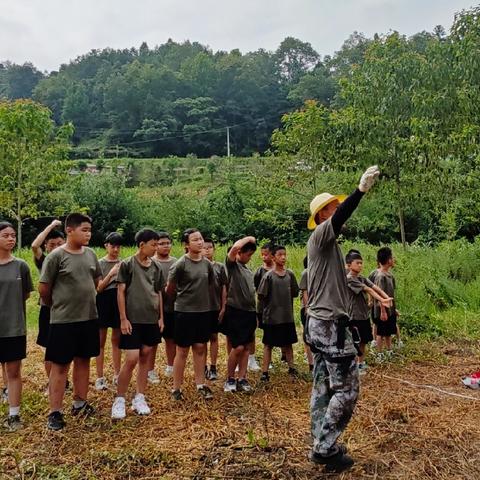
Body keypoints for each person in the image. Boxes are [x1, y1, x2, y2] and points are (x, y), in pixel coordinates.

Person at [305, 166, 380, 473]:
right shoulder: (321, 236)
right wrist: (359, 191)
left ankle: (321, 441)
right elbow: (340, 217)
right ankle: (324, 448)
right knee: (347, 389)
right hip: (329, 326)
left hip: (323, 324)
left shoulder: (328, 247)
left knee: (323, 385)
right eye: (334, 208)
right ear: (323, 215)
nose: (339, 213)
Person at [39, 213, 102, 431]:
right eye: (84, 230)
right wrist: (56, 306)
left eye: (89, 230)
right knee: (60, 365)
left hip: (88, 317)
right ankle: (55, 412)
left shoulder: (91, 254)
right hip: (63, 320)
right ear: (69, 230)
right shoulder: (56, 256)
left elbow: (96, 282)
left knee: (83, 360)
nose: (88, 234)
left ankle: (80, 402)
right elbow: (44, 288)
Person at [111, 229, 164, 419]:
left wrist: (161, 317)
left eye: (158, 244)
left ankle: (140, 397)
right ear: (142, 245)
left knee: (146, 356)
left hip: (150, 318)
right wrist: (123, 318)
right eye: (153, 244)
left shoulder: (156, 267)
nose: (156, 248)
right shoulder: (127, 265)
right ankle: (119, 399)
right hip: (132, 320)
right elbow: (120, 292)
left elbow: (158, 293)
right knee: (131, 358)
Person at [167, 229, 214, 401]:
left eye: (200, 238)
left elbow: (209, 285)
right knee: (182, 350)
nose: (200, 242)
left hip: (202, 311)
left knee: (201, 347)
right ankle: (176, 388)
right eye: (195, 240)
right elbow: (170, 289)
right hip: (184, 312)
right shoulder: (180, 264)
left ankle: (200, 384)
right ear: (186, 245)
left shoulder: (207, 264)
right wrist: (181, 302)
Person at [0, 222, 33, 431]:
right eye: (6, 235)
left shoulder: (21, 265)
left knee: (13, 371)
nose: (11, 239)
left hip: (13, 327)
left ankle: (14, 415)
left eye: (13, 235)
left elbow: (26, 293)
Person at [345, 249, 392, 372]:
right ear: (349, 265)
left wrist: (386, 297)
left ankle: (361, 363)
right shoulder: (350, 279)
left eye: (361, 263)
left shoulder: (361, 277)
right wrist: (382, 300)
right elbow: (368, 290)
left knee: (364, 340)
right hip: (354, 315)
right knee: (355, 342)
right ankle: (354, 366)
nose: (360, 265)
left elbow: (374, 287)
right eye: (357, 263)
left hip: (363, 314)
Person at [31, 219, 65, 386]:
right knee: (48, 348)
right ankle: (52, 382)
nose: (56, 247)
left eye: (60, 243)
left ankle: (62, 380)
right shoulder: (44, 261)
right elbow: (34, 246)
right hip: (48, 308)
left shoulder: (69, 259)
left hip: (66, 309)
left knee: (64, 348)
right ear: (46, 246)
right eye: (52, 244)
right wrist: (51, 226)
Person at [258, 245, 299, 381]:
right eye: (280, 255)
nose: (283, 257)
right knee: (268, 345)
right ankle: (265, 372)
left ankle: (292, 367)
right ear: (273, 257)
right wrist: (261, 315)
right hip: (271, 318)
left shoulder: (290, 274)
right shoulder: (268, 276)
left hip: (287, 317)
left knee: (288, 343)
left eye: (284, 255)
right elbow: (261, 296)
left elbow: (295, 293)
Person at [223, 236, 257, 393]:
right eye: (247, 254)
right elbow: (234, 249)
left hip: (249, 312)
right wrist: (249, 238)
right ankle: (230, 378)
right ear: (239, 253)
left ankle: (242, 378)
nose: (249, 258)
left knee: (246, 349)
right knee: (237, 347)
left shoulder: (247, 270)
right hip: (236, 311)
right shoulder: (233, 266)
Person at [95, 232, 123, 390]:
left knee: (117, 340)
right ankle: (100, 376)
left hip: (118, 300)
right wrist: (111, 273)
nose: (116, 249)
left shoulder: (123, 263)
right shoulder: (99, 264)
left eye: (118, 246)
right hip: (103, 300)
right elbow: (98, 288)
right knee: (100, 340)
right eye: (113, 246)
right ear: (106, 245)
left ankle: (117, 374)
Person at [150, 232, 177, 380]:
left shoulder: (176, 262)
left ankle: (171, 367)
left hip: (173, 307)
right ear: (155, 246)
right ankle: (150, 370)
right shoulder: (150, 262)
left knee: (171, 339)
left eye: (168, 243)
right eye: (161, 243)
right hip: (154, 308)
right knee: (152, 341)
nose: (165, 246)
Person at [203, 238, 227, 381]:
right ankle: (203, 366)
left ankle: (213, 366)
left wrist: (223, 306)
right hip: (201, 309)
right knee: (201, 340)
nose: (207, 250)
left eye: (210, 247)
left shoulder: (220, 267)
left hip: (215, 307)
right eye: (204, 247)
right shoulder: (198, 266)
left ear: (214, 249)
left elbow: (224, 287)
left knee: (214, 337)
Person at [371, 247, 401, 353]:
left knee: (388, 332)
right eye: (392, 257)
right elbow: (379, 295)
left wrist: (393, 309)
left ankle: (389, 350)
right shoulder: (380, 276)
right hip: (382, 311)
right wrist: (383, 311)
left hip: (390, 309)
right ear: (388, 260)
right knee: (381, 333)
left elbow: (391, 295)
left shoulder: (390, 275)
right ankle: (379, 353)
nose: (393, 259)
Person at [250, 243, 274, 371]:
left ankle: (274, 359)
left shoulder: (279, 269)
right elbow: (254, 288)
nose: (264, 257)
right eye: (262, 254)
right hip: (262, 307)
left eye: (266, 254)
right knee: (261, 332)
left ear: (273, 254)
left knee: (272, 334)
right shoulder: (260, 271)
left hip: (276, 308)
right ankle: (256, 358)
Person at [298, 256, 314, 372]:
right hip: (308, 310)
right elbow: (305, 292)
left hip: (319, 309)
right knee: (308, 337)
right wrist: (308, 308)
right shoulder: (306, 273)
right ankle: (311, 363)